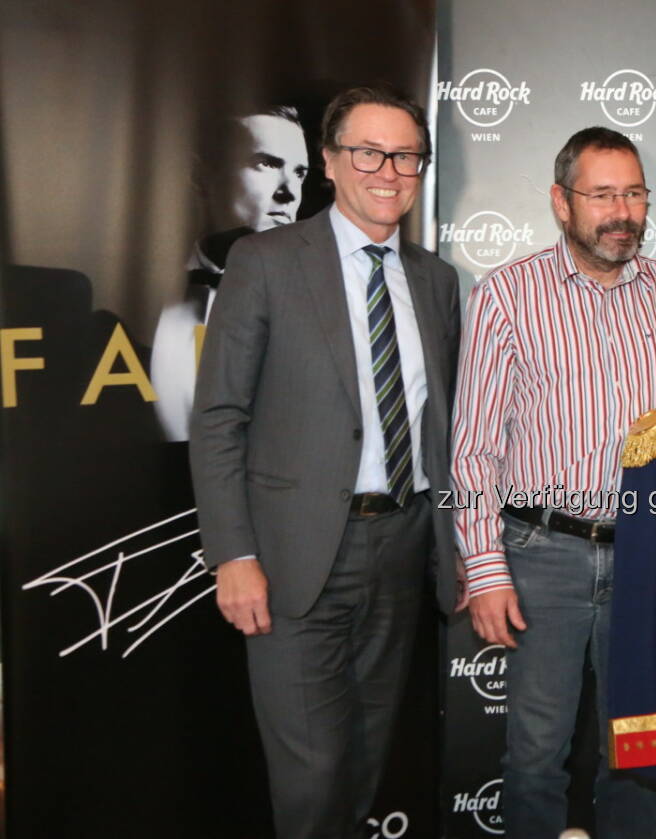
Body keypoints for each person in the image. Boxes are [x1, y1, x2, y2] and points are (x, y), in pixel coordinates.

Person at [189, 86, 459, 839]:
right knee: (311, 776)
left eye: (406, 155)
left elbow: (440, 426)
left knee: (366, 761)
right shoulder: (266, 261)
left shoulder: (435, 280)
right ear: (332, 164)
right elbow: (219, 418)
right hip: (294, 555)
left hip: (403, 545)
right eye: (367, 152)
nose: (389, 170)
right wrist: (233, 553)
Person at [452, 126, 656, 839]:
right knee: (534, 753)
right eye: (602, 195)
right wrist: (486, 567)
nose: (622, 211)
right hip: (542, 554)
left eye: (634, 193)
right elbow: (473, 448)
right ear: (562, 203)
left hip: (648, 558)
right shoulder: (506, 294)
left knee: (637, 750)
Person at [154, 105, 312, 441]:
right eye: (266, 164)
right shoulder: (141, 300)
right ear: (201, 177)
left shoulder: (326, 304)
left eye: (300, 173)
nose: (289, 192)